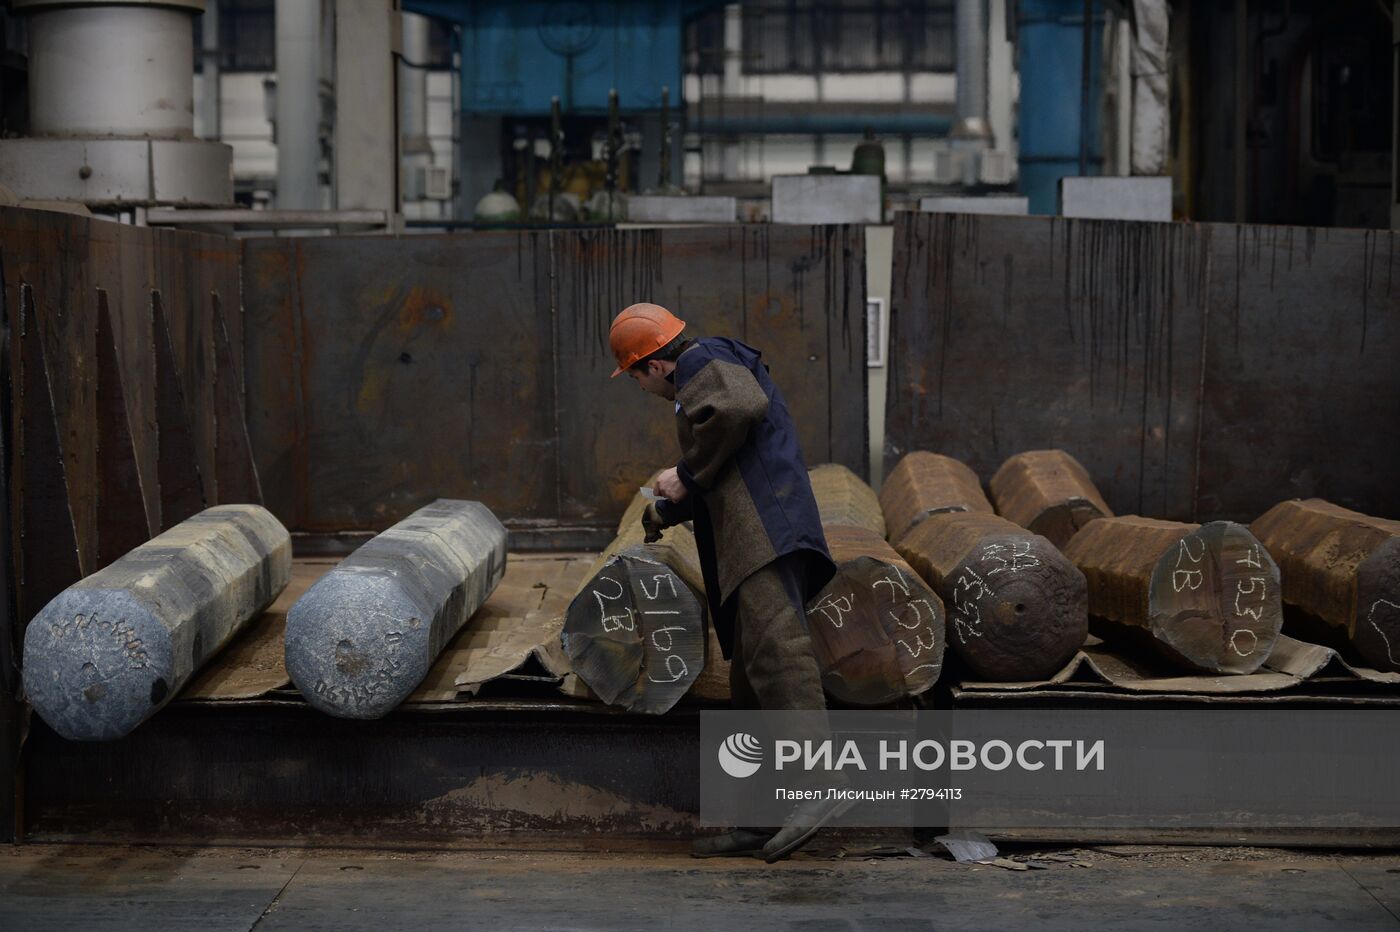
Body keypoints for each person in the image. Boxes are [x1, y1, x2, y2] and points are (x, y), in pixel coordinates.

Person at [608, 302, 847, 862]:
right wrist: (671, 509)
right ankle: (759, 819)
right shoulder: (708, 370)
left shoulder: (703, 360)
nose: (640, 388)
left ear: (652, 366)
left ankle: (818, 786)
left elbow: (740, 407)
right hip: (751, 533)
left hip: (766, 533)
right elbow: (733, 463)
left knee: (779, 655)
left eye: (635, 378)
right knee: (752, 682)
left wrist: (685, 473)